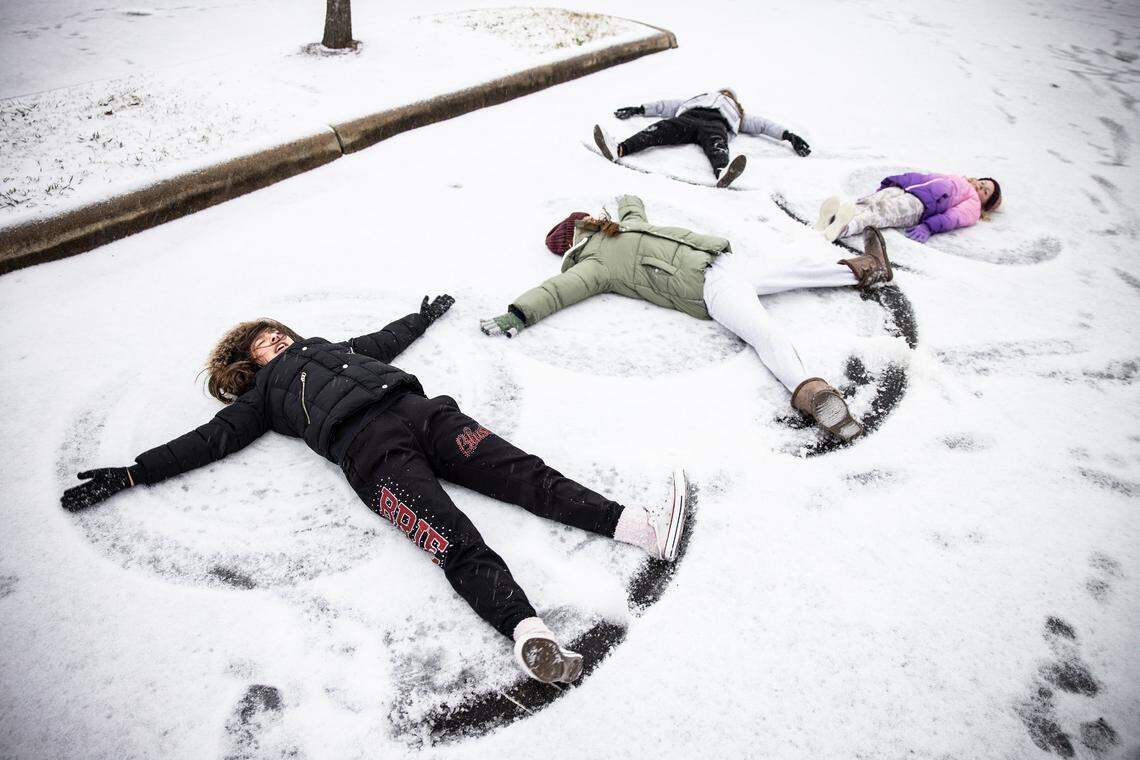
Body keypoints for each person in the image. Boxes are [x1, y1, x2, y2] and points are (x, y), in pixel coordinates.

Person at [60, 296, 689, 685]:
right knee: (453, 541)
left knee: (526, 475)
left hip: (423, 414)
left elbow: (387, 341)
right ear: (249, 365)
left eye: (277, 333)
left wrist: (423, 315)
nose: (276, 341)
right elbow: (208, 439)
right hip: (370, 455)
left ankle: (639, 527)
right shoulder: (261, 399)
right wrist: (134, 471)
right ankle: (530, 636)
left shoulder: (331, 349)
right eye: (263, 343)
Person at [479, 196, 893, 443]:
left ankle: (866, 268)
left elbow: (633, 204)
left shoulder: (621, 228)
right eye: (586, 221)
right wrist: (518, 313)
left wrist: (623, 195)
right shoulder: (594, 264)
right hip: (710, 288)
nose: (595, 220)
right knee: (764, 334)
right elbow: (557, 291)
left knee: (796, 269)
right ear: (578, 234)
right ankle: (811, 393)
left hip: (726, 263)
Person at [592, 88, 812, 188]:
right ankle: (619, 148)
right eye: (724, 92)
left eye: (729, 95)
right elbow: (667, 105)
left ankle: (723, 172)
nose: (725, 94)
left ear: (734, 100)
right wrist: (639, 109)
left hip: (716, 125)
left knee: (718, 146)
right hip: (689, 118)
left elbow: (763, 125)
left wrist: (788, 135)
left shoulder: (737, 112)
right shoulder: (700, 97)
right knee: (659, 129)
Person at [817, 172, 1002, 242]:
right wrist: (896, 181)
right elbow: (924, 178)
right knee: (870, 201)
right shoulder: (957, 178)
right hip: (904, 190)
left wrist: (929, 226)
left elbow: (954, 217)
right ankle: (832, 220)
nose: (981, 187)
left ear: (985, 204)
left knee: (881, 213)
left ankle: (844, 228)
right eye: (983, 183)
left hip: (920, 206)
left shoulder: (973, 205)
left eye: (986, 192)